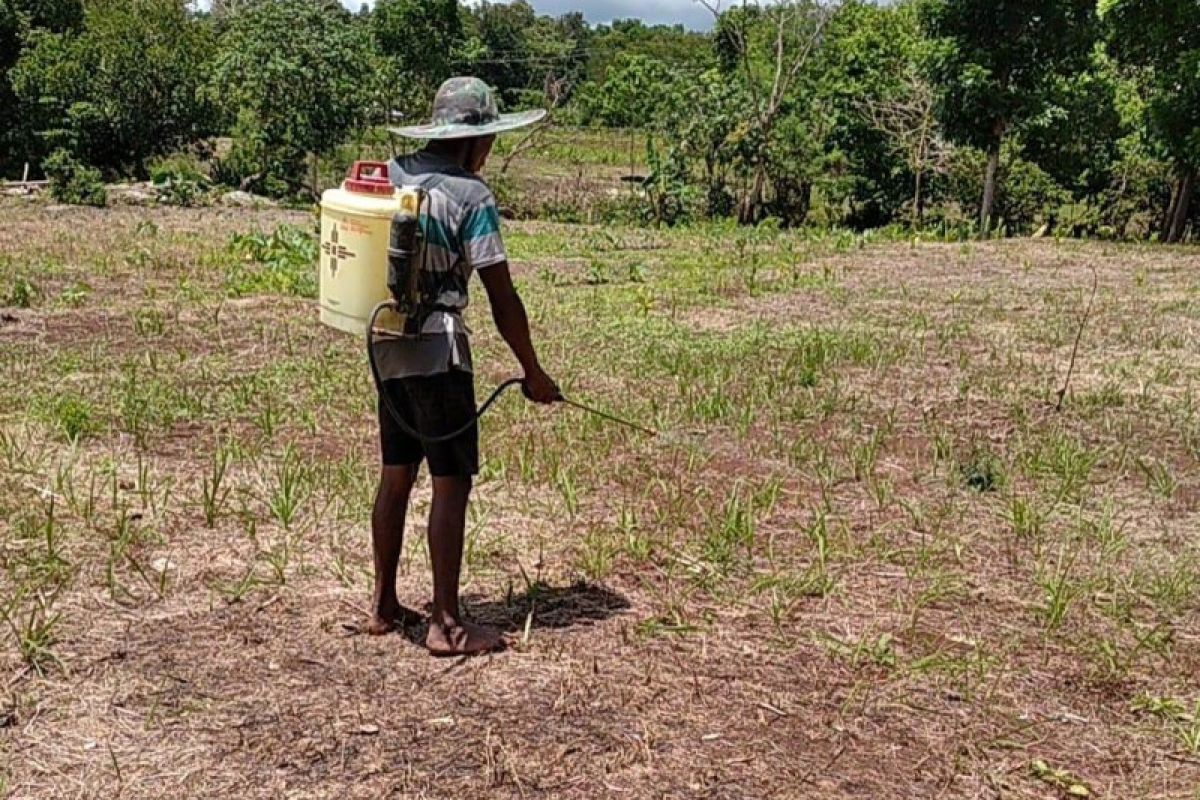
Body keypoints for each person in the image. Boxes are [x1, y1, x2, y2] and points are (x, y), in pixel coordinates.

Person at [367, 77, 559, 656]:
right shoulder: (472, 197)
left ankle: (382, 605)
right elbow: (503, 298)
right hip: (440, 353)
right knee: (452, 483)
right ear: (473, 141)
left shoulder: (394, 176)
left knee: (397, 473)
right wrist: (534, 372)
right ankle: (446, 624)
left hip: (386, 344)